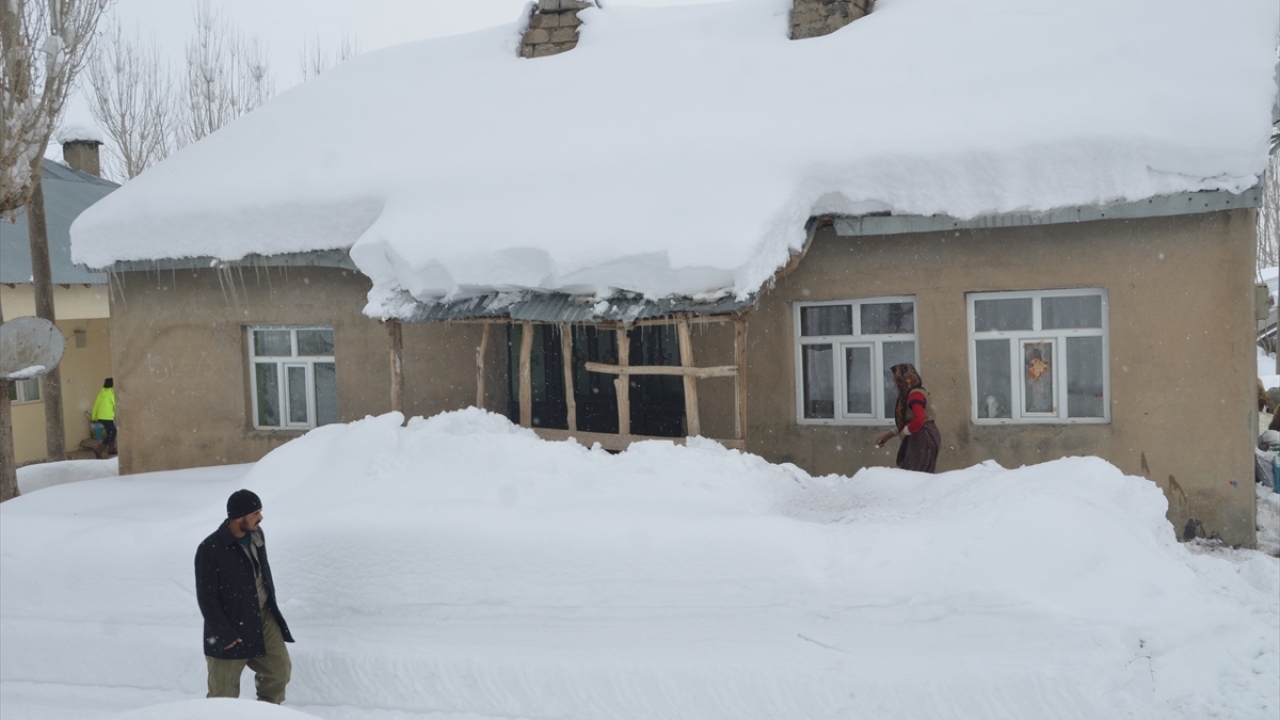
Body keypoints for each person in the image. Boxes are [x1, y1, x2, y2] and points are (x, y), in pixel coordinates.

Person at [195, 489, 294, 703]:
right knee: (223, 696)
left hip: (263, 617)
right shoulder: (210, 549)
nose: (261, 517)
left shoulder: (257, 535)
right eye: (255, 513)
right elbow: (206, 597)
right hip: (230, 627)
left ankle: (267, 714)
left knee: (278, 671)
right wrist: (224, 633)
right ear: (238, 517)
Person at [874, 363, 941, 473]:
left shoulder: (915, 395)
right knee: (915, 474)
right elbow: (909, 419)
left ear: (904, 379)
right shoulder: (910, 394)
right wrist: (889, 435)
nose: (892, 381)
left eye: (896, 378)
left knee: (913, 475)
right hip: (922, 435)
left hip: (923, 438)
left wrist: (905, 432)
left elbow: (919, 420)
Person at [90, 378, 116, 458]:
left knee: (111, 432)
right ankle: (99, 449)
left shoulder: (101, 393)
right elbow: (115, 404)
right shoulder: (111, 392)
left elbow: (96, 405)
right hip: (108, 416)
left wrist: (94, 417)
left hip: (101, 416)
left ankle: (111, 449)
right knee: (112, 432)